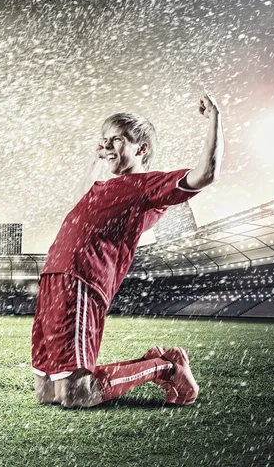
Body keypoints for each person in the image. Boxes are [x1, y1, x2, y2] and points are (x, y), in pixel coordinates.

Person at [31, 92, 224, 408]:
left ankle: (166, 368)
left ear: (141, 149)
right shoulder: (101, 188)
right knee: (47, 394)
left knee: (76, 395)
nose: (108, 145)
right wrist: (99, 156)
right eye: (105, 139)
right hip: (53, 277)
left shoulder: (147, 186)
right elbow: (81, 194)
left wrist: (215, 119)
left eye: (117, 139)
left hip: (82, 280)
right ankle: (159, 361)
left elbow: (206, 174)